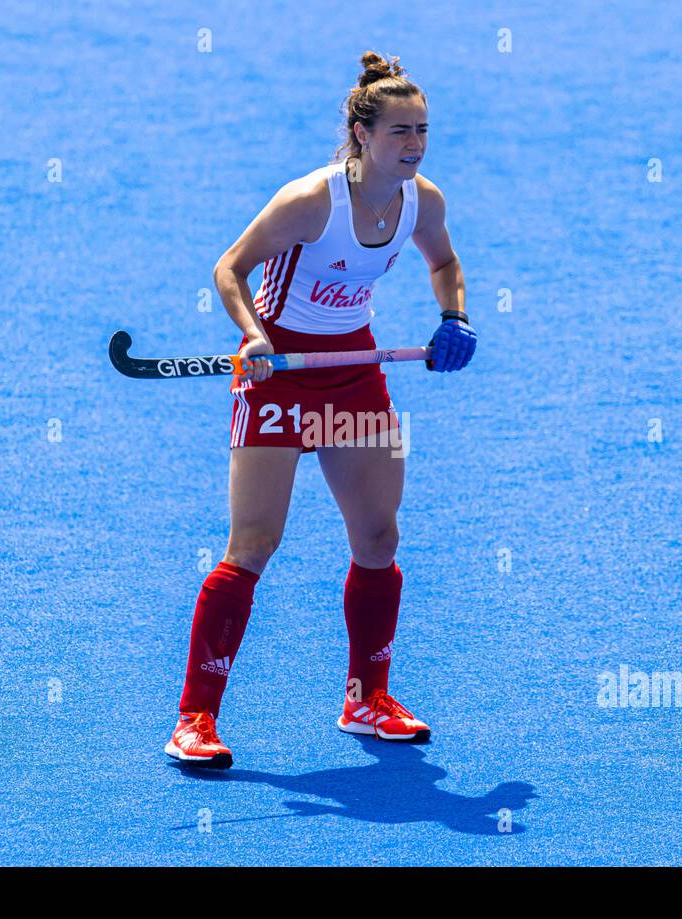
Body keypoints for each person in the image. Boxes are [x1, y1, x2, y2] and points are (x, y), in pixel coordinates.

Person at [166, 51, 476, 769]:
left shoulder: (423, 201)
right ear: (362, 134)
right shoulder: (310, 201)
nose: (415, 144)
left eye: (423, 130)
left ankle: (367, 699)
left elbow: (443, 263)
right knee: (254, 545)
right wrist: (253, 335)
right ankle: (195, 719)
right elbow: (231, 268)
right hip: (277, 378)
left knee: (378, 538)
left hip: (352, 374)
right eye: (400, 131)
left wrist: (453, 316)